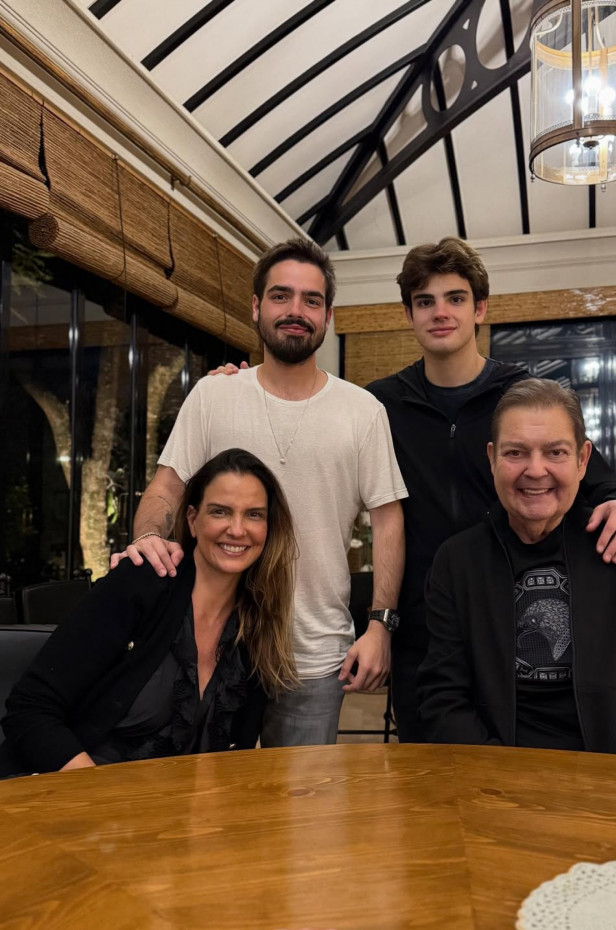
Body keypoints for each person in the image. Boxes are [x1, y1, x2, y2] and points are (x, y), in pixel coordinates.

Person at [113, 238, 406, 747]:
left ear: (328, 316)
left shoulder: (362, 412)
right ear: (256, 307)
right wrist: (148, 539)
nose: (296, 311)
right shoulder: (214, 394)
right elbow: (168, 487)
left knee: (300, 797)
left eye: (311, 300)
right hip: (209, 644)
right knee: (200, 789)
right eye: (280, 296)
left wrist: (380, 624)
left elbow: (388, 521)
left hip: (312, 655)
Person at [366, 237, 616, 742]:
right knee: (433, 770)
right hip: (424, 630)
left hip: (513, 616)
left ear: (480, 309)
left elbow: (592, 477)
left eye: (455, 298)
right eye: (425, 301)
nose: (440, 312)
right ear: (408, 315)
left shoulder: (521, 397)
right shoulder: (378, 405)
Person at [418, 380, 616, 759]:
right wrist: (499, 778)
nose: (536, 470)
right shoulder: (457, 562)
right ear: (492, 459)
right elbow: (443, 698)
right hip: (496, 775)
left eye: (556, 452)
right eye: (516, 452)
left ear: (583, 460)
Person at [1, 449, 298, 775]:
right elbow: (30, 709)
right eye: (220, 511)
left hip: (167, 804)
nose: (237, 529)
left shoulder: (257, 625)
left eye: (254, 515)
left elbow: (232, 758)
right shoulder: (144, 582)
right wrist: (97, 793)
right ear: (192, 520)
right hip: (72, 790)